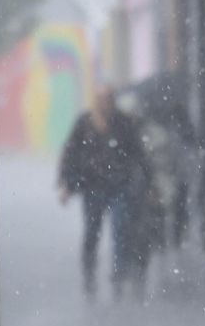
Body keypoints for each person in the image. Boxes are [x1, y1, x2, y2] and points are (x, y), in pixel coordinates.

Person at [58, 86, 149, 299]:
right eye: (101, 98)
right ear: (95, 100)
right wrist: (67, 184)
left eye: (109, 98)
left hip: (119, 187)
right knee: (91, 233)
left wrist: (147, 184)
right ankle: (89, 276)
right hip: (92, 188)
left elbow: (139, 155)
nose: (105, 103)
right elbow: (70, 153)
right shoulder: (84, 123)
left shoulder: (124, 123)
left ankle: (119, 276)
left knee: (121, 231)